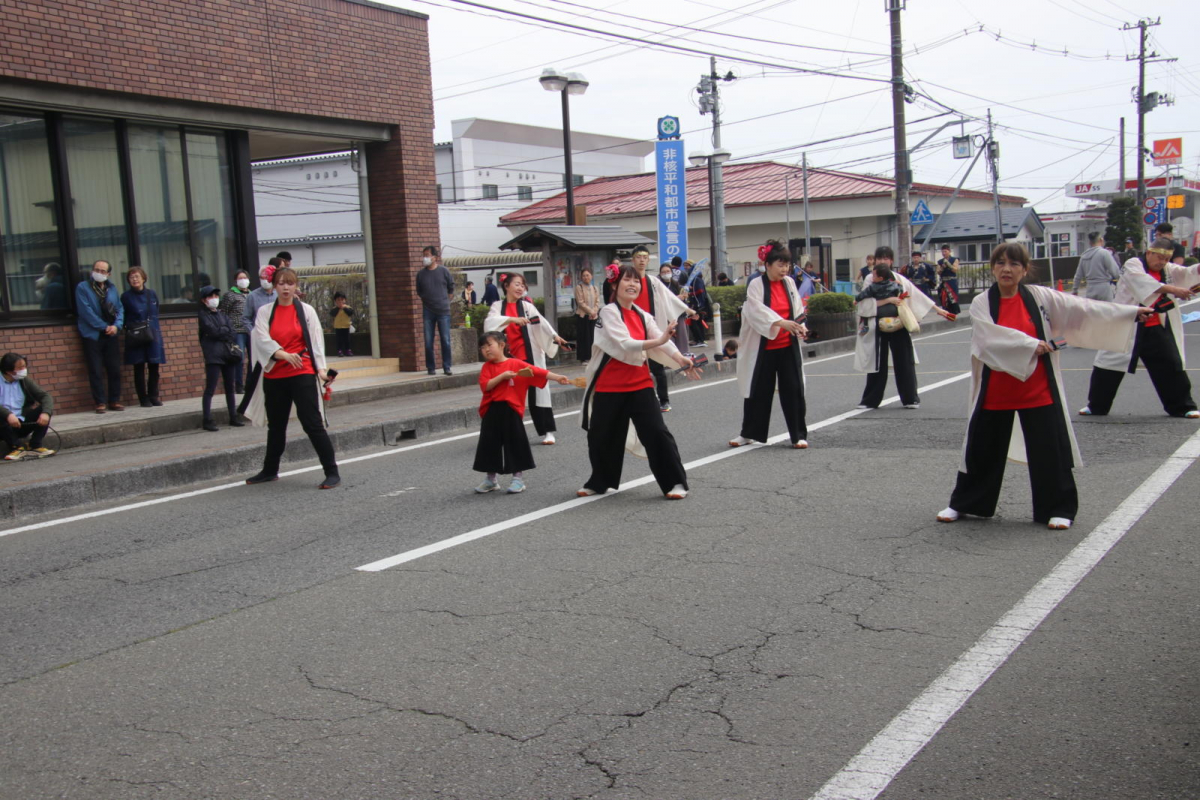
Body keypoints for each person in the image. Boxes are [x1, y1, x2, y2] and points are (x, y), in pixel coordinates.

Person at [937, 243, 1150, 531]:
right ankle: (966, 503)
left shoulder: (1040, 297)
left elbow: (1083, 309)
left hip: (1037, 387)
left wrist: (1129, 313)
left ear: (1025, 269)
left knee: (1050, 449)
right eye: (1000, 263)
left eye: (1014, 264)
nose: (1006, 269)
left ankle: (1058, 507)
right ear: (993, 268)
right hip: (996, 388)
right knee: (981, 448)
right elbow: (987, 338)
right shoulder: (982, 302)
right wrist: (1029, 344)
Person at [578, 266, 698, 500]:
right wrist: (659, 339)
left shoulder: (642, 315)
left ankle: (675, 482)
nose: (633, 284)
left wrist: (679, 357)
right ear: (615, 285)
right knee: (601, 436)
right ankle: (600, 481)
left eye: (636, 281)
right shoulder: (608, 312)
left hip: (639, 384)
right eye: (627, 280)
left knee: (656, 433)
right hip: (608, 386)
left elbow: (660, 340)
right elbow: (624, 343)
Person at [1080, 237, 1200, 419]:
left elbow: (1185, 274)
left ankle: (1182, 407)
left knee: (1171, 363)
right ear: (1149, 252)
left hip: (1155, 325)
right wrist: (1175, 290)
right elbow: (1142, 283)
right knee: (1108, 365)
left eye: (1166, 259)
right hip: (1127, 323)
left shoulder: (1167, 269)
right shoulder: (1133, 264)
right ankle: (1096, 406)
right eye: (1159, 257)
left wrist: (1197, 269)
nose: (1162, 262)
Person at [243, 267, 340, 489]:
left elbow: (316, 343)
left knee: (312, 424)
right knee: (276, 425)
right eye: (281, 283)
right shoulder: (265, 312)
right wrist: (282, 354)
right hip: (275, 373)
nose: (285, 287)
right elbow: (260, 339)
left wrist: (322, 371)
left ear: (296, 285)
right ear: (274, 286)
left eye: (290, 283)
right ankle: (270, 470)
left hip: (302, 372)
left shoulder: (306, 311)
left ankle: (332, 471)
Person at [729, 240, 810, 449]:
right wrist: (780, 322)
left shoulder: (790, 283)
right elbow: (754, 311)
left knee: (793, 389)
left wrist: (801, 326)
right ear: (768, 265)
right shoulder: (756, 284)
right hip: (762, 348)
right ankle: (748, 433)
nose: (784, 269)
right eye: (780, 265)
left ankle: (798, 435)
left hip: (787, 346)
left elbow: (798, 309)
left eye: (787, 265)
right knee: (757, 390)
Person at [854, 246, 954, 409]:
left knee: (904, 360)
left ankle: (910, 398)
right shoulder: (870, 279)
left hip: (898, 322)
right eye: (880, 259)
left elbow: (916, 295)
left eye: (886, 259)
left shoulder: (898, 278)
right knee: (877, 362)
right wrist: (888, 300)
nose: (882, 261)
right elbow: (864, 302)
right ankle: (870, 400)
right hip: (877, 324)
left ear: (891, 261)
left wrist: (938, 309)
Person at [473, 331, 571, 495]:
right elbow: (486, 386)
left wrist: (557, 377)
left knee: (515, 443)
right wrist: (502, 376)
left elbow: (538, 372)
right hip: (491, 409)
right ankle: (491, 479)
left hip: (511, 409)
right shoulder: (487, 367)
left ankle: (517, 479)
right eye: (483, 347)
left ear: (502, 345)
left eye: (489, 345)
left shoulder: (516, 364)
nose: (486, 350)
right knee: (489, 444)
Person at [484, 273, 568, 445]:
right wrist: (512, 319)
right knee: (508, 396)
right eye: (516, 284)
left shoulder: (527, 307)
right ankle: (507, 432)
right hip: (508, 360)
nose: (520, 288)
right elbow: (489, 324)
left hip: (530, 356)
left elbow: (541, 323)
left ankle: (547, 431)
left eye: (523, 285)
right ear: (506, 286)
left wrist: (554, 336)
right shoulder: (497, 306)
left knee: (539, 392)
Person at [625, 244, 694, 412]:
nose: (642, 260)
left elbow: (669, 297)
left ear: (648, 260)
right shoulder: (627, 280)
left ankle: (664, 400)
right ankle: (637, 402)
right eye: (638, 257)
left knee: (657, 367)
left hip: (651, 327)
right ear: (633, 260)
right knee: (635, 367)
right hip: (632, 328)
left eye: (644, 257)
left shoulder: (653, 281)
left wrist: (687, 309)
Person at [75, 259, 124, 413]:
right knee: (95, 369)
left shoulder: (112, 288)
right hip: (93, 334)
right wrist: (104, 327)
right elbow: (85, 312)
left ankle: (114, 400)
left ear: (108, 274)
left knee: (114, 368)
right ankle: (100, 402)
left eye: (103, 271)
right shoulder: (83, 287)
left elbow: (119, 308)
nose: (99, 273)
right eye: (96, 269)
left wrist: (117, 326)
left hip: (111, 333)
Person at [236, 262, 280, 416]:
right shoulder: (253, 296)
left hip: (278, 340)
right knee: (256, 372)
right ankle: (246, 407)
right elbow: (246, 318)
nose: (265, 280)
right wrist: (254, 333)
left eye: (268, 277)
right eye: (262, 277)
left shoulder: (279, 294)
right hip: (260, 341)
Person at [197, 285, 243, 432]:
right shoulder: (203, 315)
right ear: (204, 300)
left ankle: (233, 416)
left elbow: (232, 331)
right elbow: (212, 331)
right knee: (210, 387)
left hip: (228, 354)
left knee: (230, 387)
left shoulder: (222, 314)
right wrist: (223, 330)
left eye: (216, 296)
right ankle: (207, 419)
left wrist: (222, 331)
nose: (214, 299)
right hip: (213, 355)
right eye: (211, 297)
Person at [121, 266, 165, 407]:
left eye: (137, 276)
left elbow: (155, 311)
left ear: (143, 278)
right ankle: (143, 398)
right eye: (131, 277)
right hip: (136, 334)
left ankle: (154, 395)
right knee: (138, 367)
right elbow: (123, 316)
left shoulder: (151, 294)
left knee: (154, 365)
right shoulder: (126, 296)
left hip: (152, 332)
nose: (134, 279)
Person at [0, 353, 54, 460]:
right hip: (3, 426)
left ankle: (35, 445)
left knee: (45, 409)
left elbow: (45, 396)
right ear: (8, 371)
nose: (24, 370)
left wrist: (46, 413)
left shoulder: (24, 381)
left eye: (24, 366)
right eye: (20, 368)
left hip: (20, 422)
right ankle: (16, 447)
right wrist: (8, 415)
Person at [417, 245, 454, 376]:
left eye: (427, 255)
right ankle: (430, 367)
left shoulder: (444, 271)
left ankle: (447, 366)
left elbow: (451, 288)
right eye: (424, 255)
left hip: (443, 310)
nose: (425, 258)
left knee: (445, 339)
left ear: (434, 257)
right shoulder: (421, 274)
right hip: (428, 310)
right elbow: (419, 291)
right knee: (428, 341)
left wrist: (446, 302)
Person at [220, 270, 252, 393]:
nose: (243, 280)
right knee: (239, 357)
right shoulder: (230, 295)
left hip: (250, 330)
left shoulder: (251, 294)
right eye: (240, 278)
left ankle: (249, 383)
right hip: (237, 330)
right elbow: (224, 312)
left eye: (245, 277)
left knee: (253, 358)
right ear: (236, 281)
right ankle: (238, 385)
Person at [1072, 232, 1121, 301]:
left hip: (1090, 288)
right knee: (1108, 310)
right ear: (1101, 240)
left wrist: (1075, 290)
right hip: (1104, 288)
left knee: (1093, 311)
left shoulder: (1084, 256)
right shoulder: (1104, 253)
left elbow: (1078, 276)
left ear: (1089, 242)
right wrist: (1122, 282)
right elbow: (1115, 272)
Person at [679, 259, 711, 347]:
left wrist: (690, 293)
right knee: (693, 322)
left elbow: (700, 291)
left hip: (698, 304)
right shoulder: (691, 279)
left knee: (695, 322)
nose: (686, 268)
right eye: (685, 266)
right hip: (693, 303)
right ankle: (697, 339)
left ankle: (700, 340)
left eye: (688, 266)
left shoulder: (697, 279)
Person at [573, 267, 600, 367]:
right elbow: (580, 302)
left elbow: (597, 301)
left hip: (593, 316)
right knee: (584, 337)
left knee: (593, 337)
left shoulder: (595, 288)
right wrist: (590, 312)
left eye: (587, 275)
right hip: (583, 316)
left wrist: (594, 312)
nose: (586, 277)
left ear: (591, 276)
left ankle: (593, 356)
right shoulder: (579, 287)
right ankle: (584, 358)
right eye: (584, 275)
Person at [936, 244, 961, 315]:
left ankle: (954, 311)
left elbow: (955, 270)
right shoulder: (940, 261)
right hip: (943, 281)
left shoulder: (955, 259)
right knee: (943, 296)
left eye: (945, 251)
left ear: (949, 251)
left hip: (951, 280)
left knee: (952, 296)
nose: (944, 253)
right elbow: (938, 272)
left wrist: (949, 265)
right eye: (942, 252)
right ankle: (945, 310)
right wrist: (942, 267)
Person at [330, 292, 355, 357]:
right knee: (339, 339)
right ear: (335, 301)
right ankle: (339, 351)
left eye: (342, 300)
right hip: (338, 326)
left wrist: (344, 308)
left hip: (346, 326)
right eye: (338, 300)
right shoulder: (334, 309)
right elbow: (332, 314)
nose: (340, 301)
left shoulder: (348, 307)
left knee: (347, 339)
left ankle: (348, 350)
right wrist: (338, 308)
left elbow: (350, 313)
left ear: (345, 300)